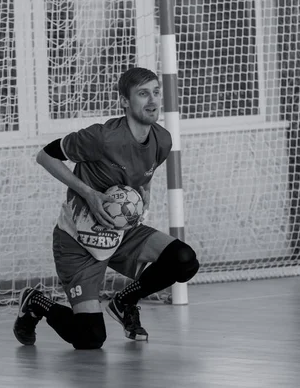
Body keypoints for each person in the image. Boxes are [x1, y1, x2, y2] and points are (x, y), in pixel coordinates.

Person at [13, 67, 200, 350]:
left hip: (122, 234)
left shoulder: (162, 140)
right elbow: (45, 156)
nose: (152, 101)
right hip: (79, 240)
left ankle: (125, 301)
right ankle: (37, 302)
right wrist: (88, 193)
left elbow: (144, 171)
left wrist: (145, 191)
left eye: (156, 92)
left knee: (184, 260)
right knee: (90, 338)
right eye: (142, 94)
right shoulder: (102, 138)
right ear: (124, 101)